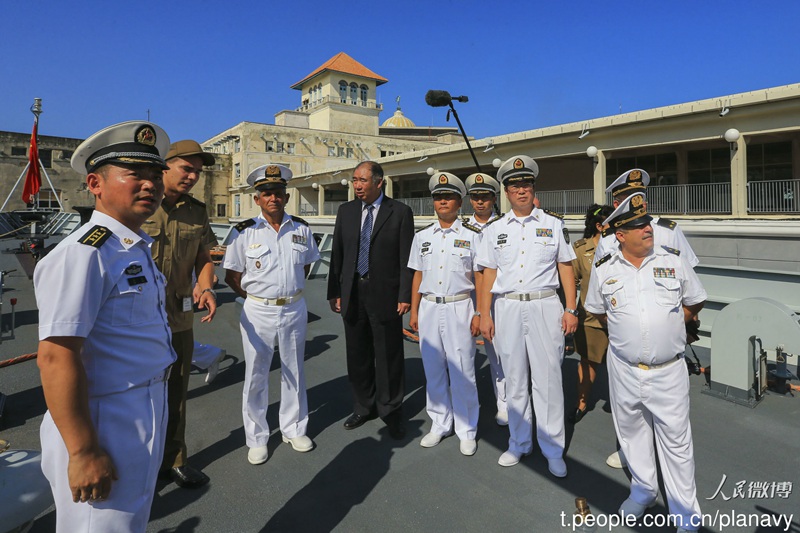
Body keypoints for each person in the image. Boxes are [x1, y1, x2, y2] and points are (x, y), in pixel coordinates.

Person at [35, 121, 175, 532]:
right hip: (104, 417)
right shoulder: (85, 253)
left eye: (155, 175)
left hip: (142, 407)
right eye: (135, 174)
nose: (150, 184)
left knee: (128, 523)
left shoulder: (130, 246)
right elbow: (56, 355)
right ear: (95, 183)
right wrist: (82, 452)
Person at [584, 192, 705, 532]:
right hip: (624, 368)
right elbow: (598, 310)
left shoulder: (673, 259)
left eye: (646, 222)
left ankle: (685, 511)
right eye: (636, 226)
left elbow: (695, 301)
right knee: (632, 434)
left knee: (676, 442)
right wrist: (632, 334)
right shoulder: (605, 268)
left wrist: (666, 327)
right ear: (619, 235)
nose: (646, 228)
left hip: (668, 370)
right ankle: (643, 490)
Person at [476, 155, 578, 477]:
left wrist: (571, 308)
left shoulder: (552, 224)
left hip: (545, 305)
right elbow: (488, 273)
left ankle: (552, 448)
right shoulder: (494, 230)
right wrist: (484, 314)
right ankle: (519, 442)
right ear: (505, 191)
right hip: (506, 306)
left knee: (548, 378)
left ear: (534, 188)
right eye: (515, 185)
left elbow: (566, 267)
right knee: (515, 377)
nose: (521, 189)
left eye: (526, 184)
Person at [598, 168, 699, 469]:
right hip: (628, 342)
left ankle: (663, 458)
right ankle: (633, 454)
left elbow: (690, 280)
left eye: (636, 196)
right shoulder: (608, 238)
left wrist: (673, 323)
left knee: (670, 416)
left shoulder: (666, 229)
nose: (631, 201)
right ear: (615, 201)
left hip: (666, 339)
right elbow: (602, 300)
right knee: (630, 408)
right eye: (624, 197)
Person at [224, 164, 320, 465]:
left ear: (286, 196)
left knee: (294, 369)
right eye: (267, 193)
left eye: (278, 193)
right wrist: (257, 298)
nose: (273, 198)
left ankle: (293, 428)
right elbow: (232, 275)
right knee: (256, 373)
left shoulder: (301, 229)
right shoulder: (244, 232)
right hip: (258, 311)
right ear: (257, 199)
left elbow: (305, 266)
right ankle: (256, 437)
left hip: (293, 307)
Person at [141, 139, 218, 489]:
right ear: (165, 165)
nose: (192, 177)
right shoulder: (139, 204)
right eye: (186, 169)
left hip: (179, 316)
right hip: (137, 320)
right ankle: (136, 461)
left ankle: (174, 459)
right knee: (134, 392)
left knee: (177, 390)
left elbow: (205, 256)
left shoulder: (197, 211)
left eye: (197, 172)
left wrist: (206, 286)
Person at [327, 161, 414, 440]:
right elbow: (337, 254)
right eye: (354, 180)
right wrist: (334, 292)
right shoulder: (346, 211)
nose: (357, 186)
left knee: (389, 355)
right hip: (353, 293)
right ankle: (364, 406)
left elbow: (406, 260)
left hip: (386, 295)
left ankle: (391, 410)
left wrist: (404, 295)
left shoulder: (399, 212)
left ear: (379, 182)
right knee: (358, 354)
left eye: (362, 180)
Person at [409, 172, 481, 456]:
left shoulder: (472, 236)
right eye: (438, 197)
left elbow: (480, 277)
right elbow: (417, 275)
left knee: (462, 367)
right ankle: (439, 423)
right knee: (433, 367)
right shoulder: (422, 236)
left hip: (459, 305)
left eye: (448, 197)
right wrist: (414, 310)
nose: (442, 202)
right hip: (429, 306)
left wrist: (479, 313)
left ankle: (466, 428)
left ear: (459, 202)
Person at [463, 172, 507, 426]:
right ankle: (467, 403)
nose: (480, 202)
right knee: (463, 355)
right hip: (466, 299)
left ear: (494, 198)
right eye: (476, 197)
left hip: (496, 298)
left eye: (486, 197)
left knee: (498, 352)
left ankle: (503, 403)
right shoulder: (461, 228)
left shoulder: (503, 226)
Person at [569, 204, 614, 423]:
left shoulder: (624, 246)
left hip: (621, 317)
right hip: (590, 318)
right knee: (588, 362)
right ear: (599, 226)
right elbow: (571, 281)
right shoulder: (580, 249)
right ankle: (582, 401)